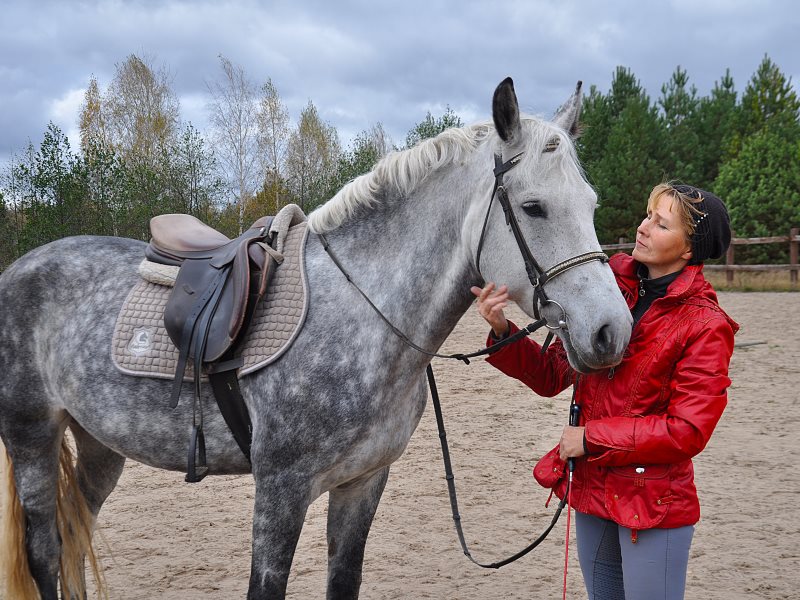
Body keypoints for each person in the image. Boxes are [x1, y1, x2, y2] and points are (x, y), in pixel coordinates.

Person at [472, 183, 739, 600]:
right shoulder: (607, 294)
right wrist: (503, 330)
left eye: (661, 223)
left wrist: (590, 439)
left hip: (652, 506)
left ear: (689, 249)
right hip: (593, 490)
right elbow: (551, 375)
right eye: (648, 215)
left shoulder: (705, 325)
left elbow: (687, 431)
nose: (643, 227)